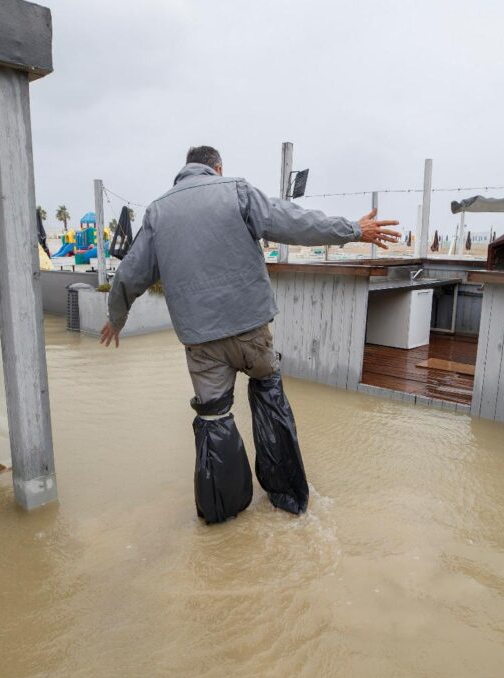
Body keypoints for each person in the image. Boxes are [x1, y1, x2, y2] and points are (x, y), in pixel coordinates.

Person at [100, 146, 400, 524]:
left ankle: (222, 515)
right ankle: (287, 497)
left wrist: (117, 316)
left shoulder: (158, 212)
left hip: (202, 344)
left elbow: (130, 273)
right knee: (269, 395)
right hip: (251, 333)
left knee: (214, 418)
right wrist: (354, 229)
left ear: (185, 170)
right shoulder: (236, 191)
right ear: (218, 167)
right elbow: (294, 221)